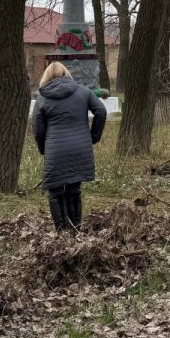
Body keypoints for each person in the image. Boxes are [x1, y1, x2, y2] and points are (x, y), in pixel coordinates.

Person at [34, 61, 108, 231]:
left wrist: (43, 149)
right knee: (74, 189)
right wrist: (93, 137)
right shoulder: (83, 91)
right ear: (66, 74)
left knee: (55, 192)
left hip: (56, 149)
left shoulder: (43, 98)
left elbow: (38, 130)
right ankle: (75, 230)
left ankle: (61, 233)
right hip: (80, 149)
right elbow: (101, 111)